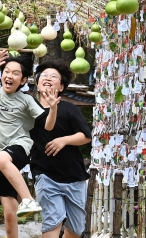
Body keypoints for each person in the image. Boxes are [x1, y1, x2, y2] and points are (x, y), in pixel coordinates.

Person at [0, 50, 59, 238]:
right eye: (6, 71)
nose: (9, 75)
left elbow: (47, 126)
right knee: (8, 210)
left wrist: (53, 107)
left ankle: (28, 200)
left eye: (15, 73)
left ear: (23, 80)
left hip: (19, 148)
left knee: (2, 157)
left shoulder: (26, 100)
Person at [31, 60, 92, 238]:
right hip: (45, 174)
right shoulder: (29, 108)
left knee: (76, 229)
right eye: (44, 75)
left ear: (61, 86)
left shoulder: (69, 108)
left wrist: (64, 140)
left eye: (54, 76)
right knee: (52, 221)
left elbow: (86, 136)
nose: (48, 78)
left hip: (75, 176)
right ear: (37, 81)